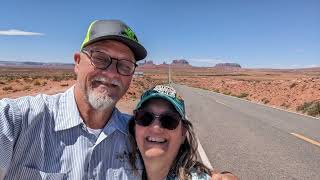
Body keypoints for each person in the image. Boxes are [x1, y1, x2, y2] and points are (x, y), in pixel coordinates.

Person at [0, 20, 147, 179]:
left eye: (125, 65)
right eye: (100, 58)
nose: (111, 73)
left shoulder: (138, 135)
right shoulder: (18, 120)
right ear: (77, 62)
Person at [128, 85, 238, 180]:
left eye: (169, 120)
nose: (156, 127)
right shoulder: (116, 166)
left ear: (182, 134)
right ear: (134, 127)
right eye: (144, 117)